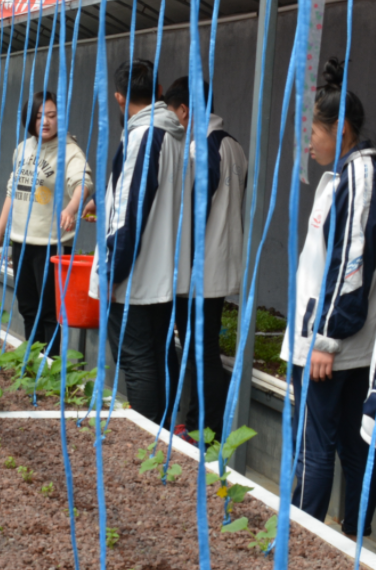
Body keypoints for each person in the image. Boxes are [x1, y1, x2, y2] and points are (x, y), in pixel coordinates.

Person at [284, 59, 376, 539]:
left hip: (334, 347)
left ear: (339, 130)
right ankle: (342, 545)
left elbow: (350, 263)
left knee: (317, 448)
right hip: (331, 342)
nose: (308, 142)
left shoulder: (359, 175)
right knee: (338, 446)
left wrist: (327, 338)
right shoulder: (344, 175)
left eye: (313, 132)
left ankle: (303, 545)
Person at [88, 59, 189, 427]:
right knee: (159, 356)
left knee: (138, 361)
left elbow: (130, 215)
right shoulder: (172, 134)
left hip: (137, 279)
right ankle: (165, 436)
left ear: (118, 97)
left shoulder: (143, 137)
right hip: (161, 273)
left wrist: (111, 271)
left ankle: (148, 442)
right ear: (159, 92)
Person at [163, 77, 247, 440]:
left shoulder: (198, 150)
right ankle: (200, 422)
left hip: (198, 271)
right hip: (220, 264)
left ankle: (204, 428)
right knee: (203, 346)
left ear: (184, 110)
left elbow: (195, 216)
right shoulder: (234, 146)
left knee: (200, 350)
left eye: (171, 115)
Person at [0, 90, 94, 349]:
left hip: (52, 245)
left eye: (51, 115)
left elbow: (83, 183)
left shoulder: (70, 151)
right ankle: (32, 363)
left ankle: (50, 369)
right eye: (38, 117)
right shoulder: (23, 149)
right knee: (27, 307)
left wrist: (70, 208)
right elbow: (12, 193)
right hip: (21, 241)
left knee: (50, 312)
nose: (45, 122)